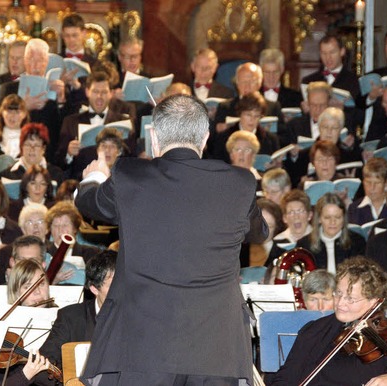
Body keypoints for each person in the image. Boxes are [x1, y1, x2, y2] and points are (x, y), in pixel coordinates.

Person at [75, 94, 267, 384]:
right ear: (204, 138)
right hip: (217, 349)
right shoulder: (239, 182)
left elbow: (88, 203)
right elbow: (259, 232)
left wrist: (95, 177)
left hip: (142, 347)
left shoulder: (130, 176)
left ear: (154, 137)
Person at [271, 256, 387, 385]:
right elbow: (285, 378)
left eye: (351, 299)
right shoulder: (315, 330)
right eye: (338, 293)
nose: (340, 303)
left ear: (374, 302)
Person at [35, 249, 117, 386]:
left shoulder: (141, 317)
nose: (121, 292)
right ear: (94, 289)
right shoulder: (70, 317)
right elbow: (43, 368)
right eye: (112, 286)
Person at [56, 71, 135, 169]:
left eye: (104, 92)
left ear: (111, 94)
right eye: (95, 91)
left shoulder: (124, 122)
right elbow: (58, 161)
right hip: (81, 180)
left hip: (115, 180)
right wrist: (69, 153)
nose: (99, 97)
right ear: (87, 92)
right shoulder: (70, 122)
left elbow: (132, 159)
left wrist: (120, 148)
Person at [296, 192, 365, 273]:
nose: (333, 222)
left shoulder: (358, 242)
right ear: (319, 219)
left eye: (337, 217)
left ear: (344, 219)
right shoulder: (304, 245)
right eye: (327, 217)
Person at [213, 91, 280, 163]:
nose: (252, 119)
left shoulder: (271, 139)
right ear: (240, 114)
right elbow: (216, 165)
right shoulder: (224, 137)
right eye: (248, 115)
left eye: (257, 116)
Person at [300, 33, 360, 106]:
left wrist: (343, 110)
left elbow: (359, 113)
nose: (328, 58)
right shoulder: (309, 81)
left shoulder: (354, 81)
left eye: (332, 52)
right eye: (324, 53)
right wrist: (305, 110)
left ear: (342, 52)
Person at [0, 122, 64, 186]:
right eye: (27, 145)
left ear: (43, 148)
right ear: (21, 147)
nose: (32, 149)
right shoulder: (6, 175)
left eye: (36, 145)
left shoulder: (55, 174)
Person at [267, 189, 314, 266]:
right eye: (291, 212)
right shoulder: (278, 242)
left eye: (300, 211)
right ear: (284, 218)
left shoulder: (318, 239)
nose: (296, 217)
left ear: (310, 215)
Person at [0, 94, 29, 160]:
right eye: (9, 111)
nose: (12, 115)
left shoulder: (31, 143)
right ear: (2, 113)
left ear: (24, 114)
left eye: (17, 112)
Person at [348, 157, 387, 225]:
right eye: (368, 182)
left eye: (377, 183)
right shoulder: (354, 209)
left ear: (386, 183)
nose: (372, 188)